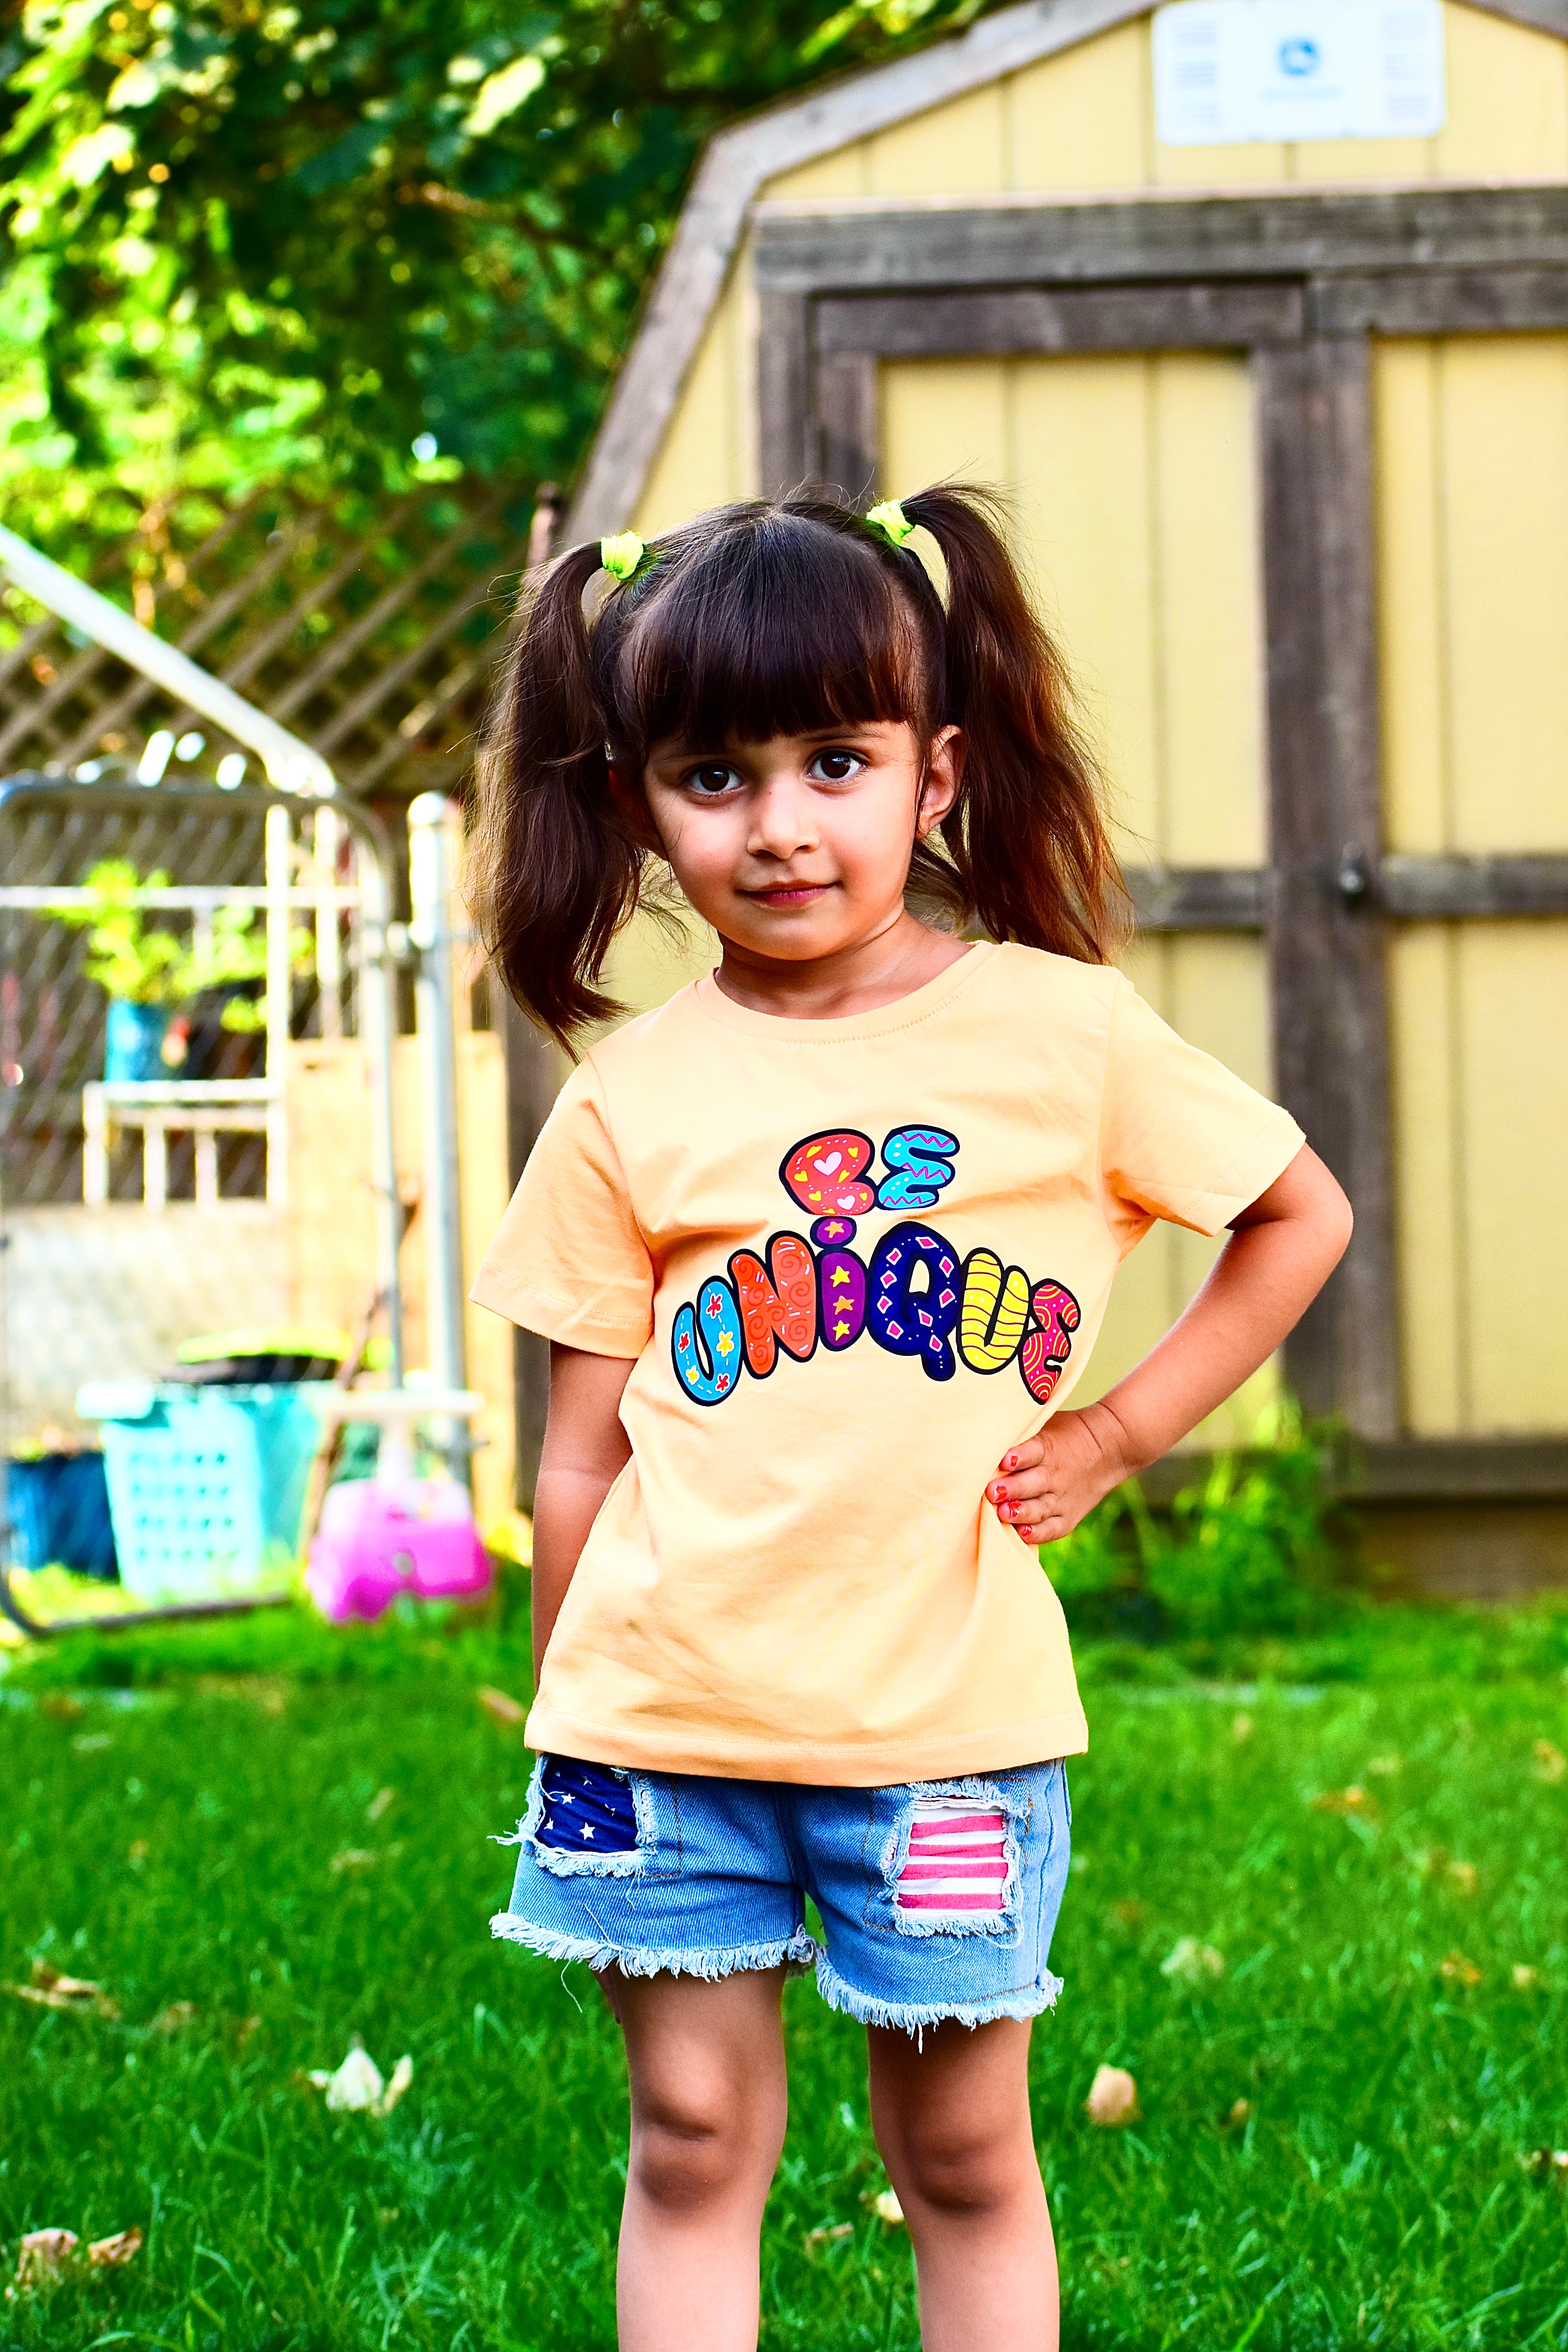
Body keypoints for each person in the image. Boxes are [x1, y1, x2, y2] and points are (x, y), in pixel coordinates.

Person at [466, 487, 1353, 2352]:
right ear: (637, 803)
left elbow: (1296, 1216)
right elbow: (581, 1440)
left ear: (932, 778)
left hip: (941, 1729)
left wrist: (1114, 1436)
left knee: (960, 2152)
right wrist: (565, 1681)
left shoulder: (1064, 1038)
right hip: (666, 1724)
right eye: (716, 776)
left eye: (833, 762)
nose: (781, 824)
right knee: (693, 2133)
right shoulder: (635, 1096)